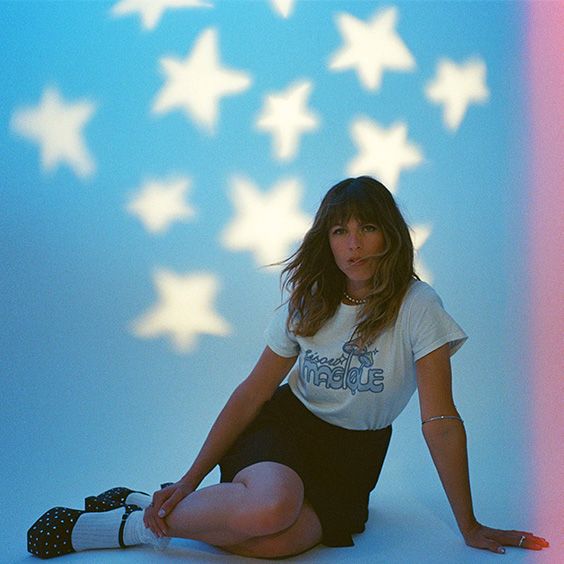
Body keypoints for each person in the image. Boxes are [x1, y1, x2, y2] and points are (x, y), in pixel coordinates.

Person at [28, 177, 548, 559]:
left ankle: (138, 503)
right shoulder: (312, 302)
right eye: (340, 231)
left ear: (390, 235)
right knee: (270, 509)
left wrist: (469, 525)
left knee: (278, 543)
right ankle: (112, 530)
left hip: (354, 457)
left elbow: (440, 421)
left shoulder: (419, 306)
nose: (353, 244)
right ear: (326, 240)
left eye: (368, 228)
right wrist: (189, 479)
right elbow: (252, 394)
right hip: (284, 431)